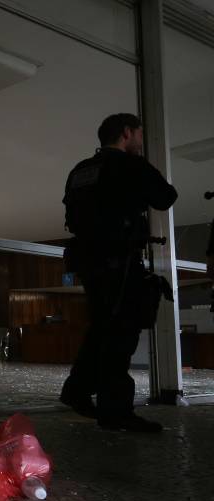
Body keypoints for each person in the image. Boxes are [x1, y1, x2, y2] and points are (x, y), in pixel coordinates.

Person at [59, 113, 177, 432]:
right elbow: (166, 197)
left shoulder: (81, 170)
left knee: (101, 326)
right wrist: (140, 168)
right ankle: (115, 411)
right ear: (127, 133)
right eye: (139, 134)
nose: (140, 140)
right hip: (119, 261)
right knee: (121, 333)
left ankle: (77, 389)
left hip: (88, 261)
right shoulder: (129, 165)